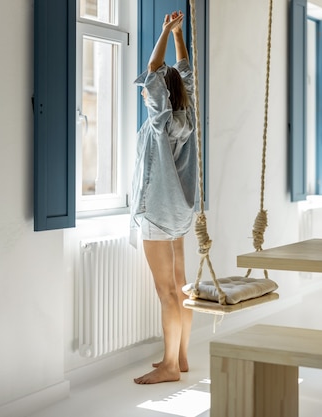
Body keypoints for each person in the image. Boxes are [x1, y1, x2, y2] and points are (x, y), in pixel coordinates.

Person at [130, 10, 197, 384]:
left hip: (157, 211)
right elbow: (183, 71)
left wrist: (163, 33)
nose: (144, 91)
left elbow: (157, 67)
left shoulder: (161, 118)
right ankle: (181, 356)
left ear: (159, 92)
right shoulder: (187, 113)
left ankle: (170, 367)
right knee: (181, 285)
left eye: (148, 88)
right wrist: (178, 36)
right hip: (180, 212)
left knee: (166, 290)